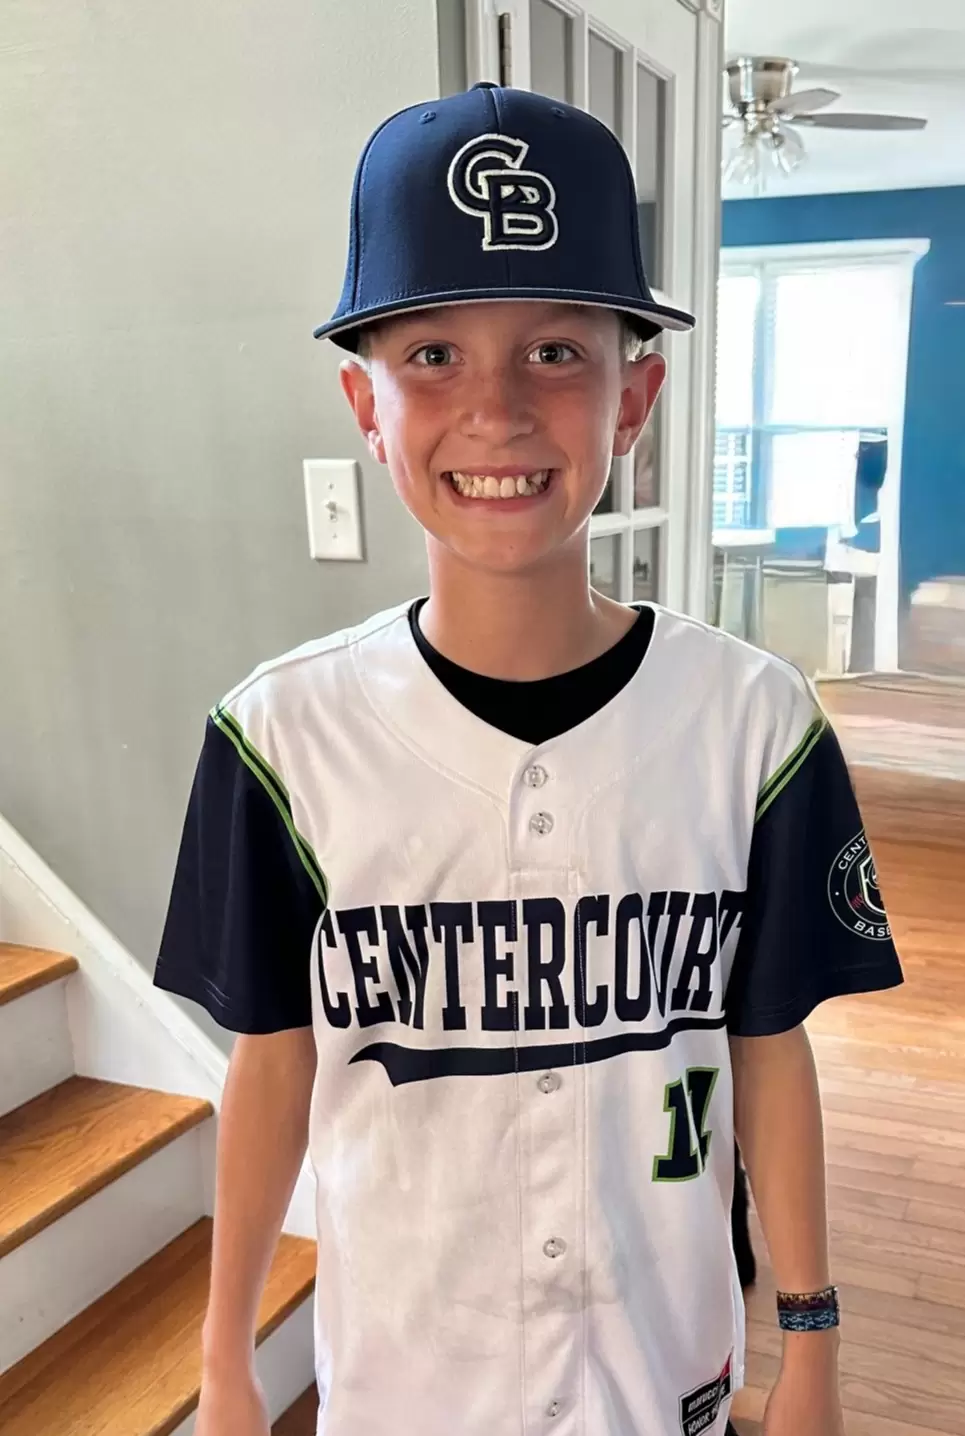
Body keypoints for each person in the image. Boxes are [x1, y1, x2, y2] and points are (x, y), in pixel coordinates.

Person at [154, 82, 903, 1436]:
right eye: (432, 354)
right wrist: (225, 1362)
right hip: (405, 1379)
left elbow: (764, 1045)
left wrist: (813, 1342)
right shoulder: (278, 740)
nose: (495, 410)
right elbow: (272, 1062)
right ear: (364, 402)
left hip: (663, 1363)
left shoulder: (755, 722)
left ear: (636, 397)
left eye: (556, 350)